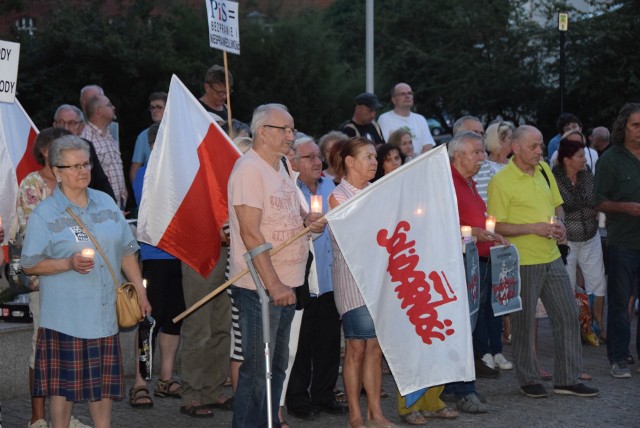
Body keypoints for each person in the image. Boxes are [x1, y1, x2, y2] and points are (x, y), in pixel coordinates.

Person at [20, 135, 151, 428]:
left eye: (86, 163)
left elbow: (126, 251)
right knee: (62, 391)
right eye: (75, 165)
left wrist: (140, 292)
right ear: (57, 171)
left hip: (103, 317)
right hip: (65, 319)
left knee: (102, 388)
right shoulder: (45, 213)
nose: (83, 170)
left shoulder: (105, 202)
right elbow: (29, 264)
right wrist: (67, 263)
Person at [227, 103, 325, 427]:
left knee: (277, 367)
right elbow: (251, 234)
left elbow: (288, 212)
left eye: (292, 129)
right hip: (261, 289)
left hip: (288, 282)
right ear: (263, 132)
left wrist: (306, 220)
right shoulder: (248, 171)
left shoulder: (282, 165)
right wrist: (275, 285)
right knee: (258, 370)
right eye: (284, 129)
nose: (290, 136)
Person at [488, 125, 598, 398]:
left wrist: (559, 223)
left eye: (540, 145)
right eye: (534, 146)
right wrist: (533, 227)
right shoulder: (501, 181)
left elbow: (557, 205)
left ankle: (567, 379)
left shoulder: (544, 171)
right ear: (516, 148)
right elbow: (495, 225)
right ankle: (528, 379)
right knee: (523, 324)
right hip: (522, 261)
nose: (540, 151)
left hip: (551, 256)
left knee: (568, 315)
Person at [16, 129, 90, 428]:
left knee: (68, 348)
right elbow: (32, 233)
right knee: (41, 347)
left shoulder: (75, 185)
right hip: (42, 280)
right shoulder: (31, 185)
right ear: (47, 152)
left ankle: (64, 415)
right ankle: (37, 417)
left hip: (73, 278)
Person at [328, 137, 394, 428]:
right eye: (368, 157)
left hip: (380, 280)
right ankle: (355, 414)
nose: (374, 163)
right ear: (349, 161)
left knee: (376, 347)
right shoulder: (338, 196)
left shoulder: (377, 192)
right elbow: (358, 237)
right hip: (353, 282)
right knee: (356, 346)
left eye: (375, 158)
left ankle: (376, 413)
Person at [286, 137, 344, 419]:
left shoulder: (330, 187)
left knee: (329, 342)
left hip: (329, 278)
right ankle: (298, 400)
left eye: (319, 156)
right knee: (301, 344)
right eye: (309, 157)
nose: (317, 161)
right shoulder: (289, 190)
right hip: (302, 279)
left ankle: (324, 395)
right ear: (293, 163)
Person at [129, 123, 185, 408]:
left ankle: (165, 377)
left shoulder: (179, 172)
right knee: (150, 318)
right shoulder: (147, 173)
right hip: (157, 256)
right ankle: (141, 381)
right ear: (154, 146)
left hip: (181, 256)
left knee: (174, 319)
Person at [594, 103, 640, 378]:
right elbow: (598, 201)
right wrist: (627, 208)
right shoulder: (610, 159)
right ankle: (618, 357)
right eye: (635, 125)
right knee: (621, 303)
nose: (639, 131)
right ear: (623, 127)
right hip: (623, 242)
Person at [552, 137, 607, 342]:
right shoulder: (554, 178)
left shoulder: (587, 176)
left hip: (590, 236)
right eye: (580, 156)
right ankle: (572, 328)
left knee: (598, 282)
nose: (585, 159)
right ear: (567, 159)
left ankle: (599, 324)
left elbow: (597, 199)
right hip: (568, 240)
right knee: (568, 283)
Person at [53, 104, 115, 201]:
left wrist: (112, 206)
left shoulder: (87, 146)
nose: (65, 127)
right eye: (61, 122)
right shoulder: (49, 149)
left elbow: (100, 181)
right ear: (54, 125)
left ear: (81, 127)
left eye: (71, 123)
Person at [80, 94, 127, 209]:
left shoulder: (109, 136)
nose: (114, 107)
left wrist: (123, 190)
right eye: (110, 105)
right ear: (99, 111)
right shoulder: (86, 139)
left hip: (117, 206)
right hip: (99, 207)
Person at [378, 83, 435, 154]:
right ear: (394, 99)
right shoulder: (385, 119)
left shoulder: (420, 119)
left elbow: (428, 145)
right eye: (402, 94)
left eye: (409, 93)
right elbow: (385, 146)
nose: (407, 96)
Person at [129, 92, 167, 183]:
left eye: (159, 107)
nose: (154, 110)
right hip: (153, 189)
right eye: (152, 107)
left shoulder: (177, 132)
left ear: (168, 108)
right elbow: (134, 171)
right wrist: (139, 194)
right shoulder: (143, 136)